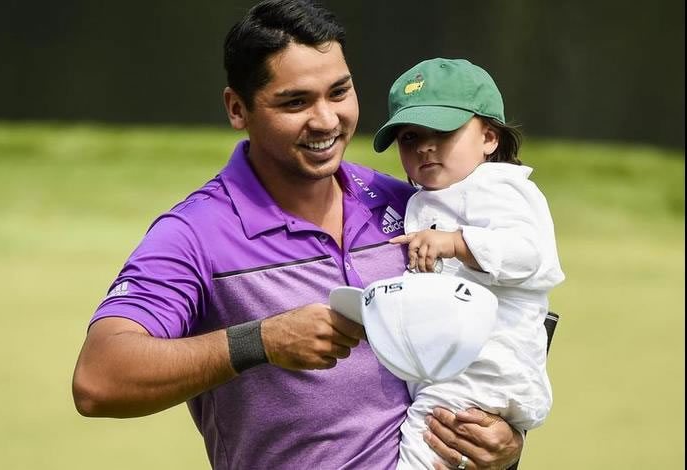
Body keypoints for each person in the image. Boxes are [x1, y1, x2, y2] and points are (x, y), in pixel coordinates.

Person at [71, 2, 525, 469]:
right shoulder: (195, 233)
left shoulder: (407, 205)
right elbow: (99, 379)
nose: (326, 120)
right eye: (295, 102)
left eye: (339, 92)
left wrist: (504, 444)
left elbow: (506, 326)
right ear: (237, 109)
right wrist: (262, 341)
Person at [372, 58, 565, 469]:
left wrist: (457, 242)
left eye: (443, 132)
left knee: (421, 448)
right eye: (409, 137)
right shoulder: (433, 196)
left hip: (486, 367)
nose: (425, 146)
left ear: (489, 138)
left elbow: (531, 254)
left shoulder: (498, 186)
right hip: (461, 369)